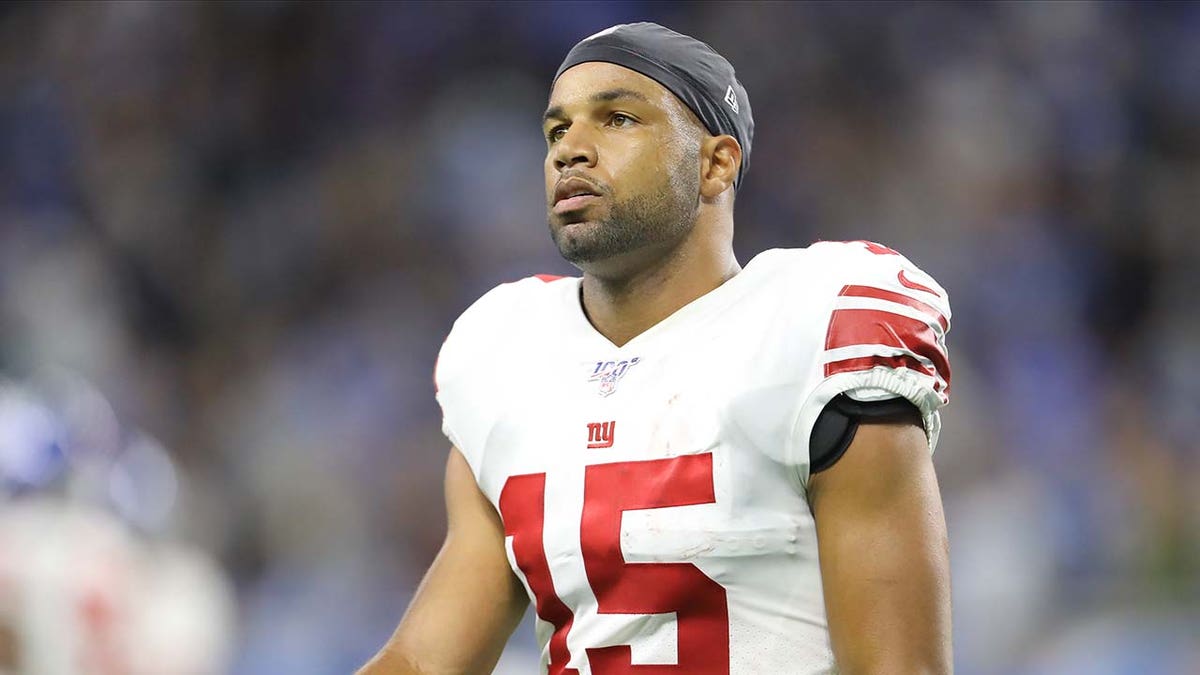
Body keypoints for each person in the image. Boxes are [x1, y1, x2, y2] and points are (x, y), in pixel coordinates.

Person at [360, 22, 952, 674]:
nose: (571, 151)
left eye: (616, 118)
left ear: (715, 163)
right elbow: (423, 660)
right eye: (557, 130)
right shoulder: (508, 353)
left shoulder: (814, 328)